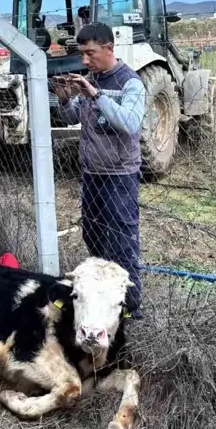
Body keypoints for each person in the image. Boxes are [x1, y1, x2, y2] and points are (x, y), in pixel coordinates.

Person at [53, 22, 145, 317]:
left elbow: (130, 124)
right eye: (81, 54)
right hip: (92, 174)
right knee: (93, 236)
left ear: (109, 48)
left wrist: (96, 95)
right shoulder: (89, 79)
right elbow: (69, 117)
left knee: (122, 240)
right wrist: (64, 96)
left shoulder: (130, 83)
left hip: (119, 177)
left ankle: (131, 305)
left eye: (90, 53)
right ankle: (101, 296)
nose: (85, 61)